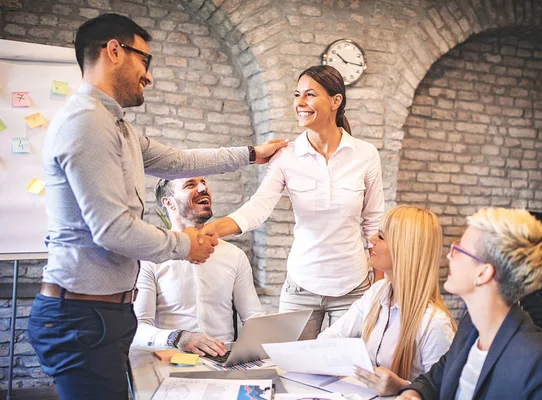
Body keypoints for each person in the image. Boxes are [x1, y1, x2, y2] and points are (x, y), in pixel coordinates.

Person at [27, 13, 286, 400]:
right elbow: (112, 229)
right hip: (80, 317)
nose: (148, 76)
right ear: (114, 51)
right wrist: (186, 245)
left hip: (105, 315)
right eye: (144, 61)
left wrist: (252, 154)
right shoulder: (86, 123)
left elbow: (181, 161)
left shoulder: (118, 128)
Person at [201, 65, 385, 339]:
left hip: (353, 288)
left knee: (342, 372)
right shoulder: (286, 155)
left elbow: (374, 222)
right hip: (301, 287)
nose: (299, 103)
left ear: (336, 101)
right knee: (290, 368)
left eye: (310, 95)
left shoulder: (365, 154)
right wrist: (214, 228)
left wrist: (379, 285)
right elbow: (259, 207)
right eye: (297, 94)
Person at [398, 208, 542, 400]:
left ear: (483, 273)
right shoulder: (469, 328)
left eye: (458, 249)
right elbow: (433, 382)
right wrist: (412, 393)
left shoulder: (537, 363)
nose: (449, 255)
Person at [319, 205, 456, 396]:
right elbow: (329, 338)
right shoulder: (376, 293)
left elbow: (445, 393)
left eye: (381, 237)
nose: (371, 240)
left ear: (405, 250)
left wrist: (402, 387)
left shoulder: (434, 324)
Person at [132, 177, 264, 356]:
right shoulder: (150, 259)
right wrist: (178, 338)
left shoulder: (235, 255)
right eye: (190, 185)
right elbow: (137, 329)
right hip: (170, 361)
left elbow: (254, 320)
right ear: (169, 203)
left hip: (223, 362)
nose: (203, 188)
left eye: (203, 182)